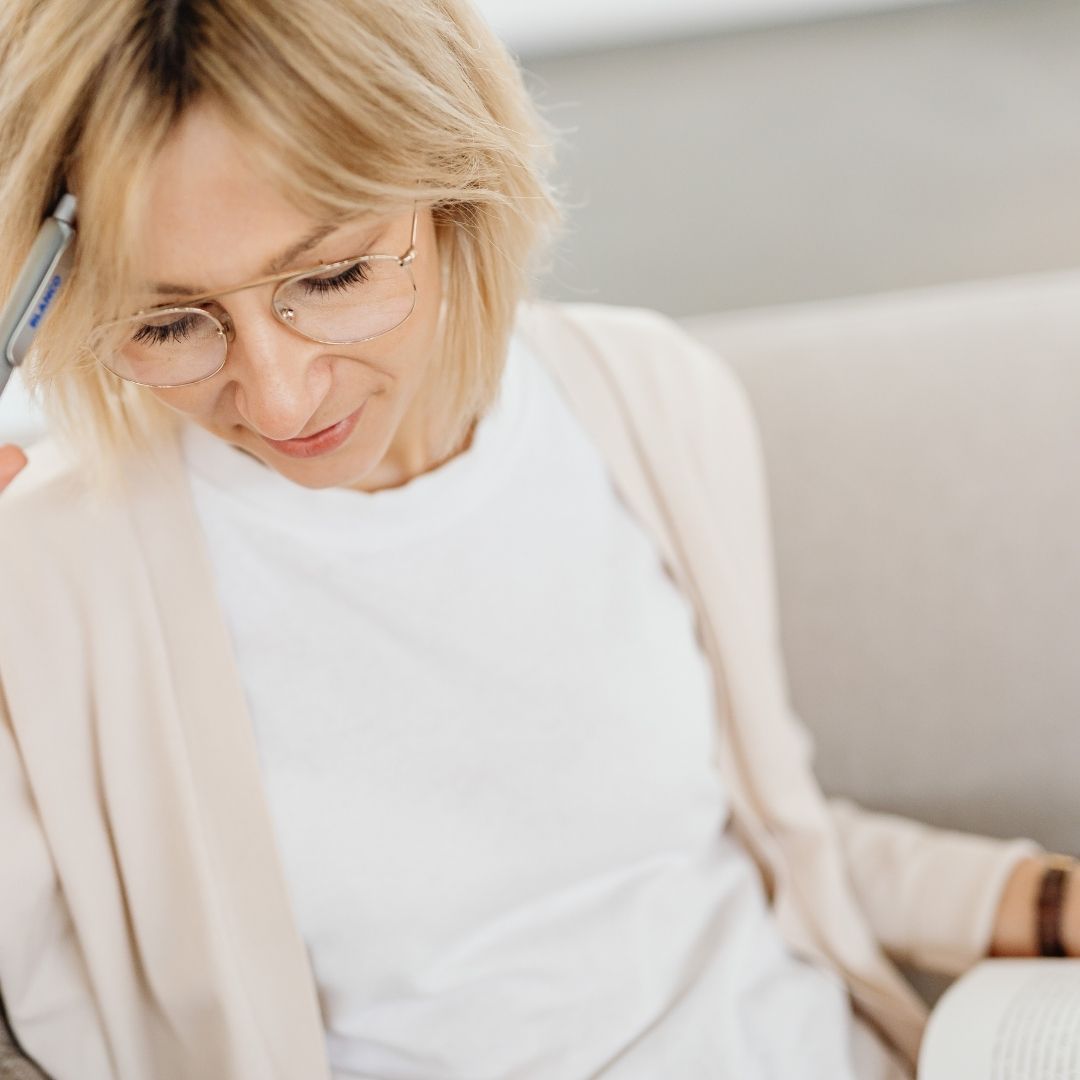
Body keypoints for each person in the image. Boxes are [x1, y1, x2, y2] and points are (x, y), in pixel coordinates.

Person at [0, 2, 1074, 1078]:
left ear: (454, 195)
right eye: (167, 323)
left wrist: (1039, 899)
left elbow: (748, 839)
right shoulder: (50, 582)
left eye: (331, 278)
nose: (279, 397)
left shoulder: (647, 397)